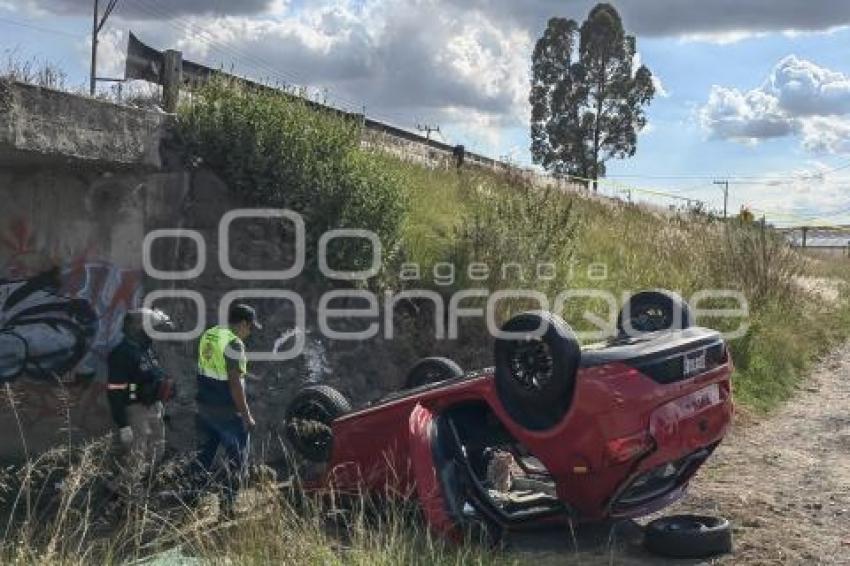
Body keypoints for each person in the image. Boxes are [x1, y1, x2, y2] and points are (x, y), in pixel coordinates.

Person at [193, 303, 260, 515]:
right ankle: (227, 507)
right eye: (250, 327)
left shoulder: (210, 334)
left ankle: (190, 497)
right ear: (242, 323)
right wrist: (246, 416)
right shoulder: (234, 344)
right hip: (227, 412)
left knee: (203, 455)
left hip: (204, 406)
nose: (249, 332)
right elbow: (235, 384)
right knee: (237, 459)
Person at [107, 308, 175, 481]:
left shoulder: (146, 349)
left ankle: (139, 493)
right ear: (138, 329)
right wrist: (123, 425)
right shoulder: (122, 353)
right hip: (136, 409)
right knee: (136, 457)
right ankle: (122, 495)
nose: (153, 332)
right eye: (150, 328)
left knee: (156, 452)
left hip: (154, 406)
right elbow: (115, 391)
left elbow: (154, 375)